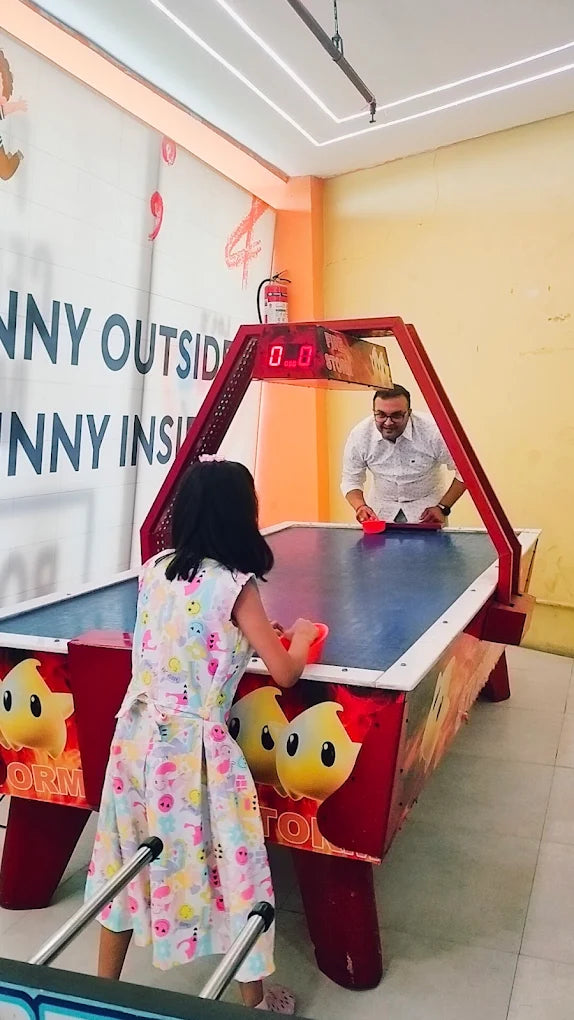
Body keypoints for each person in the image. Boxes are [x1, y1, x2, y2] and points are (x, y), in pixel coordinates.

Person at [85, 456, 318, 1014]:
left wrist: (248, 636)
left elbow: (187, 635)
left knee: (125, 859)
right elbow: (285, 672)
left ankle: (101, 991)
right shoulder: (237, 586)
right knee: (234, 867)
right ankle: (253, 1001)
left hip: (135, 741)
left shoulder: (155, 568)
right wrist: (302, 637)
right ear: (242, 515)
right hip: (195, 757)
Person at [341, 384, 466, 526]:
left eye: (396, 415)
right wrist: (360, 506)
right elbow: (350, 480)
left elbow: (465, 472)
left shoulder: (434, 432)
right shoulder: (360, 436)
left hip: (428, 514)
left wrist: (443, 507)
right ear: (373, 411)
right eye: (381, 415)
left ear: (409, 412)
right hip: (380, 513)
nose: (388, 422)